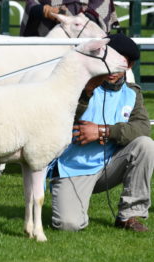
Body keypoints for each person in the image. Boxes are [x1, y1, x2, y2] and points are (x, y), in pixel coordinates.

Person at [47, 33, 154, 232]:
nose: (114, 68)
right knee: (68, 225)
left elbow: (142, 127)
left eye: (122, 62)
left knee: (146, 145)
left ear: (129, 66)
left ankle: (129, 216)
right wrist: (86, 93)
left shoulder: (133, 93)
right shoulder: (79, 86)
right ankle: (68, 199)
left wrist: (103, 132)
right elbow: (58, 118)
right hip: (73, 167)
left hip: (110, 166)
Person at [20, 0, 119, 37]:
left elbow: (100, 9)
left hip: (87, 48)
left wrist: (65, 15)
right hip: (47, 44)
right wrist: (45, 11)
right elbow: (32, 6)